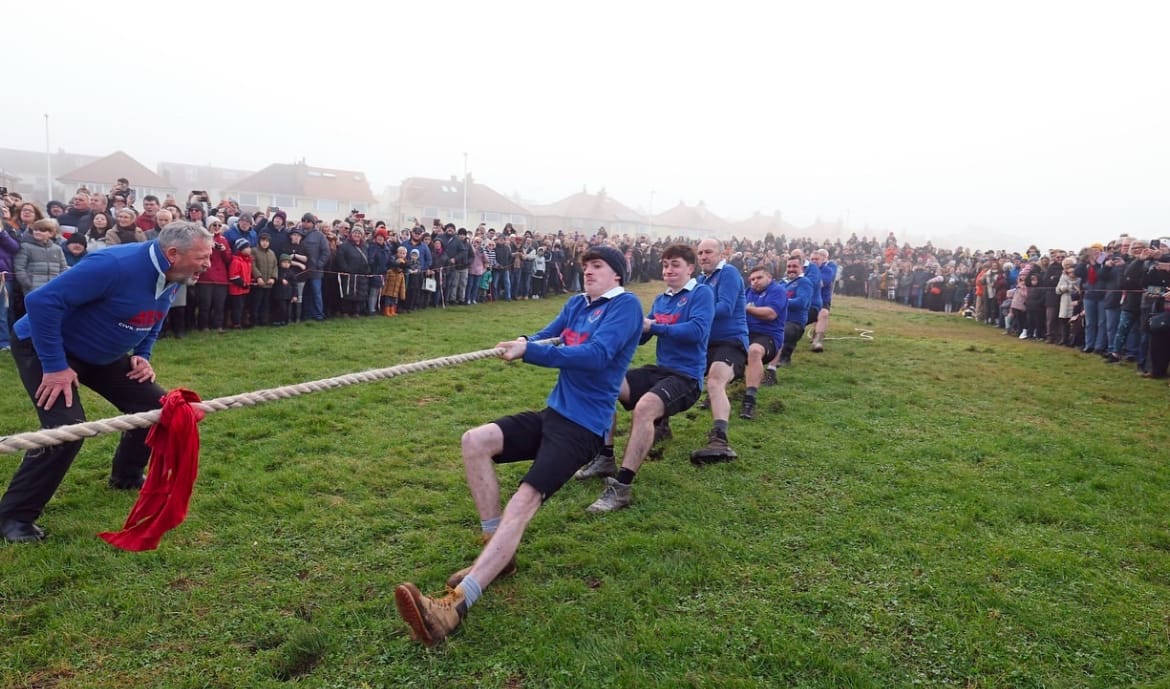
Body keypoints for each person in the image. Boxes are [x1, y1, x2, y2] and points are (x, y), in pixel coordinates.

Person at [392, 245, 642, 646]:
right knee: (475, 441)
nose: (589, 272)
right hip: (553, 415)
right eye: (586, 266)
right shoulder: (578, 304)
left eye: (598, 266)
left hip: (582, 429)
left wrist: (532, 352)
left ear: (617, 274)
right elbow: (548, 334)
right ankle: (497, 552)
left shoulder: (624, 307)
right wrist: (523, 341)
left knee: (523, 501)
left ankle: (454, 607)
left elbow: (596, 356)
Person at [0, 221, 214, 543]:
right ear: (173, 253)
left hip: (100, 352)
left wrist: (143, 352)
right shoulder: (114, 265)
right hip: (46, 345)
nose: (207, 264)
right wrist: (56, 366)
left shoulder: (175, 272)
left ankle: (126, 477)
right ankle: (13, 518)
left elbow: (156, 313)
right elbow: (41, 302)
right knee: (66, 430)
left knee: (155, 408)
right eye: (203, 257)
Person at [574, 243, 713, 512]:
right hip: (659, 371)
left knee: (645, 408)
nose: (668, 269)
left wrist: (655, 326)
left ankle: (621, 488)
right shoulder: (662, 299)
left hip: (686, 378)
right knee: (604, 384)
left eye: (675, 264)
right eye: (665, 265)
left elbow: (696, 331)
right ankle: (605, 457)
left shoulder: (702, 293)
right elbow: (643, 336)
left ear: (690, 269)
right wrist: (621, 327)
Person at [689, 237, 748, 464]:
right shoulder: (700, 280)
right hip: (705, 343)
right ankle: (660, 425)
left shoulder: (729, 273)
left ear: (722, 254)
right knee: (676, 374)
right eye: (700, 253)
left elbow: (725, 307)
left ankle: (720, 441)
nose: (703, 256)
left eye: (709, 252)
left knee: (714, 381)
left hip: (730, 341)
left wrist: (695, 315)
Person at [740, 265, 788, 420]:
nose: (755, 282)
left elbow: (771, 314)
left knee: (754, 351)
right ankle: (715, 394)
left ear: (769, 277)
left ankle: (749, 400)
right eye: (752, 279)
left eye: (759, 278)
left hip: (769, 336)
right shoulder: (747, 292)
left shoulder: (778, 291)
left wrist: (747, 309)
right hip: (746, 333)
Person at [810, 248, 837, 352]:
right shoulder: (805, 269)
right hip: (807, 300)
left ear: (822, 260)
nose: (814, 261)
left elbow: (820, 284)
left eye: (816, 259)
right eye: (812, 259)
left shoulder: (827, 270)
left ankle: (818, 340)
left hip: (822, 300)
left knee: (823, 314)